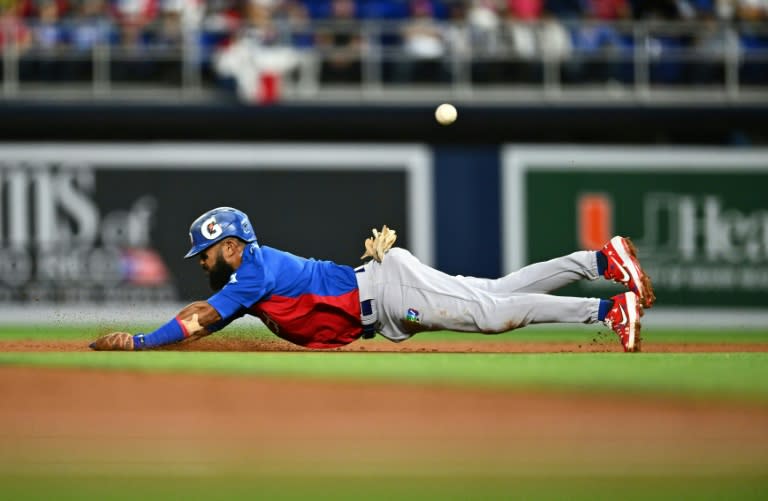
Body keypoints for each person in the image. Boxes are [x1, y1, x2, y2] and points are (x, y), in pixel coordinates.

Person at [90, 206, 656, 353]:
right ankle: (601, 264)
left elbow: (202, 318)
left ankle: (608, 311)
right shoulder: (248, 279)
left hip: (385, 294)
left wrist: (139, 342)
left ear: (230, 248)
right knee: (498, 291)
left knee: (493, 313)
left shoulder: (251, 272)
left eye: (205, 253)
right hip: (380, 291)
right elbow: (204, 314)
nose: (200, 260)